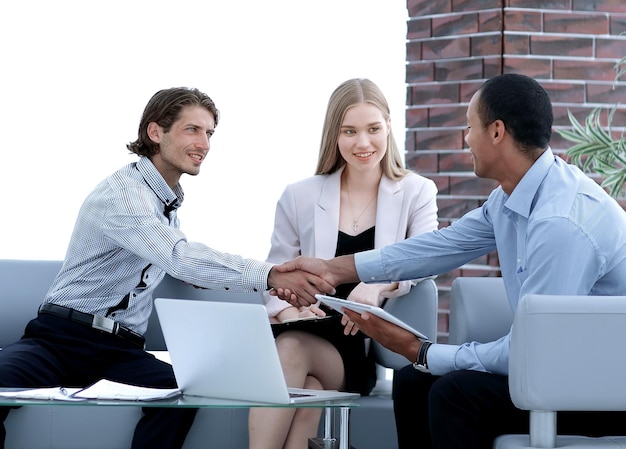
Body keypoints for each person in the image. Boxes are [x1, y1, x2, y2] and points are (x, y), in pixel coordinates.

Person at [273, 73, 626, 449]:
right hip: (560, 371)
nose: (465, 138)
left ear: (496, 132)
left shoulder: (560, 224)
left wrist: (420, 350)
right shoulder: (511, 198)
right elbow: (437, 247)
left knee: (453, 393)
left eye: (470, 127)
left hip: (601, 389)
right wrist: (334, 268)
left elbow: (531, 353)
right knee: (414, 380)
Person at [0, 87, 333, 449]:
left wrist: (274, 295)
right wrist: (270, 274)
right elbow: (179, 257)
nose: (204, 143)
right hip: (60, 337)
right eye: (193, 130)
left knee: (181, 397)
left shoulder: (166, 207)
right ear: (155, 133)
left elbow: (180, 263)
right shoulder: (124, 193)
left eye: (209, 133)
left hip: (120, 352)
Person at [248, 78, 438, 449]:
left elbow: (426, 258)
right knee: (308, 389)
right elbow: (275, 276)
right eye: (349, 131)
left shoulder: (417, 191)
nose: (363, 143)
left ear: (388, 127)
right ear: (334, 134)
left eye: (372, 129)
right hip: (301, 328)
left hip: (355, 345)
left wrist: (376, 284)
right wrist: (288, 313)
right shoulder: (300, 195)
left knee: (290, 353)